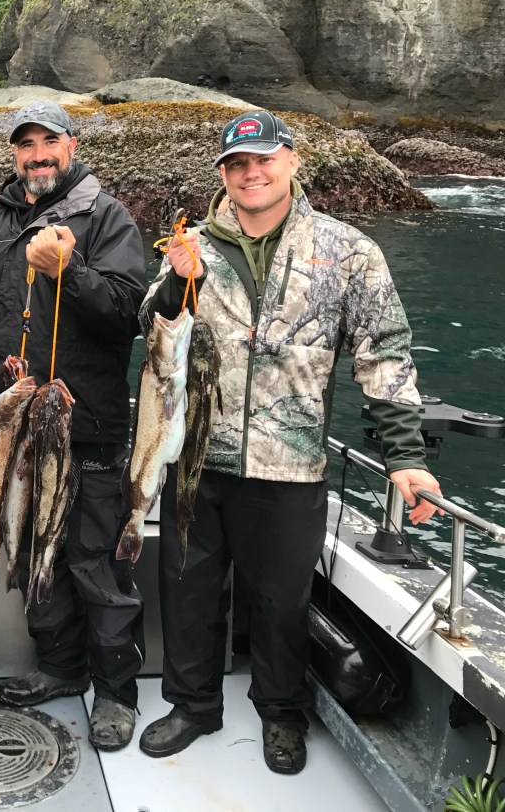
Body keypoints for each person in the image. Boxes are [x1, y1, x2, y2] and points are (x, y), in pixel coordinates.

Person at [137, 110, 444, 774]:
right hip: (194, 459)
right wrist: (173, 280)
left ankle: (281, 711)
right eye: (237, 164)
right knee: (188, 591)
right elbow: (152, 327)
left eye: (263, 160)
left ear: (292, 162)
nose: (251, 173)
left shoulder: (347, 249)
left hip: (291, 461)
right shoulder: (192, 243)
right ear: (223, 174)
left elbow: (383, 351)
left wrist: (406, 457)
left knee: (282, 600)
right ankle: (191, 705)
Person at [0, 102, 148, 751]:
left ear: (71, 146)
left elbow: (126, 310)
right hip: (19, 424)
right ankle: (59, 666)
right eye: (27, 145)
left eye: (49, 141)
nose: (38, 154)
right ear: (15, 154)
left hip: (89, 426)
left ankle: (116, 691)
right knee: (32, 553)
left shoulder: (107, 217)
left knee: (96, 562)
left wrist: (68, 272)